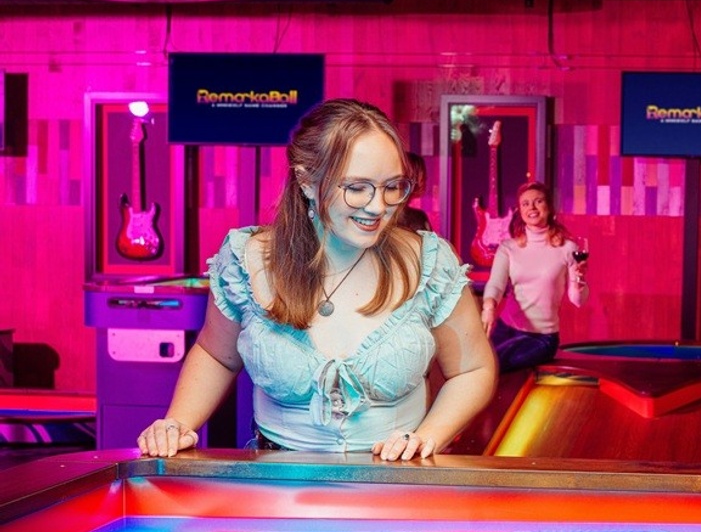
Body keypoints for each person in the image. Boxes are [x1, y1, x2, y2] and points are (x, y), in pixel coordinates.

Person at [137, 98, 497, 461]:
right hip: (278, 489)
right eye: (357, 187)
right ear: (306, 179)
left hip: (397, 487)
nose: (378, 207)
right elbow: (217, 355)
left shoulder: (429, 263)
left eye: (392, 186)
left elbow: (473, 370)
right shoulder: (247, 259)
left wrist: (427, 437)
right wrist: (178, 422)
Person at [480, 181, 588, 372]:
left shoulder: (567, 248)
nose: (532, 207)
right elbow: (496, 284)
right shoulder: (508, 248)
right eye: (525, 203)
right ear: (520, 211)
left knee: (501, 367)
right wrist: (489, 307)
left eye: (538, 201)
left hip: (543, 337)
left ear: (549, 206)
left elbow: (577, 300)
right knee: (483, 368)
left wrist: (580, 282)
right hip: (507, 329)